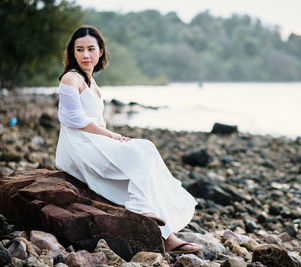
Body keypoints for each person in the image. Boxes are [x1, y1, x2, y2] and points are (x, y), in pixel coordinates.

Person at [55, 25, 202, 254]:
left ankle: (166, 234)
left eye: (91, 49)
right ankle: (145, 212)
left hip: (92, 141)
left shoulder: (92, 83)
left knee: (146, 150)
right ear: (73, 52)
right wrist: (111, 136)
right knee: (138, 151)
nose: (85, 55)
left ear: (100, 51)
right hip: (77, 146)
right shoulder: (70, 79)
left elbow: (95, 120)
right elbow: (74, 119)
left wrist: (110, 138)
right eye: (80, 49)